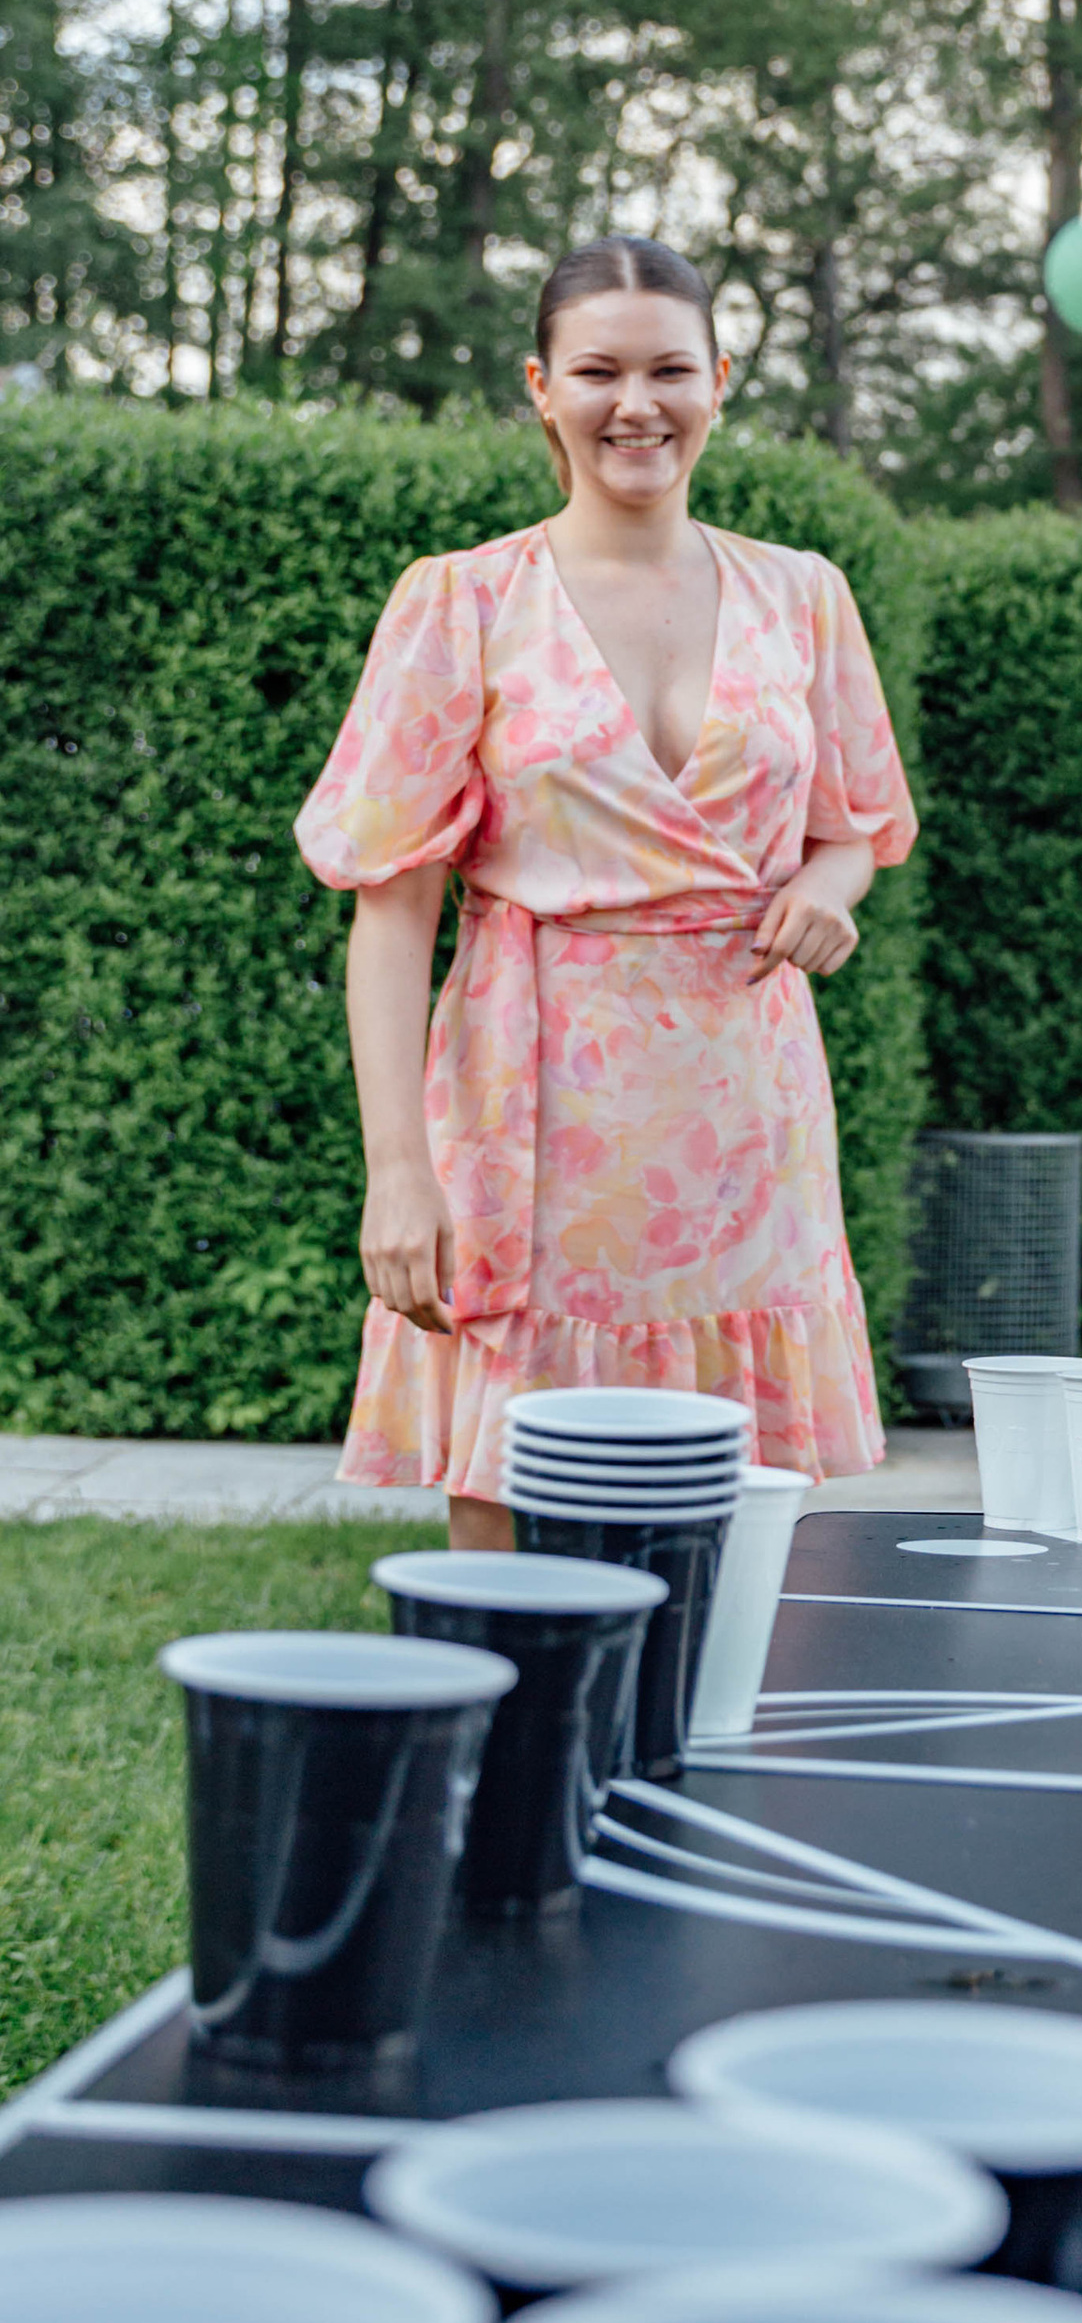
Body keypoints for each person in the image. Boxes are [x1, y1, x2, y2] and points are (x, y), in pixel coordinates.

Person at [295, 235, 917, 1545]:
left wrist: (833, 882)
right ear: (542, 387)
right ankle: (520, 1741)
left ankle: (711, 1740)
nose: (637, 404)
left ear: (721, 381)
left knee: (738, 1522)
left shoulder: (803, 596)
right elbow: (390, 908)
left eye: (669, 370)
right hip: (536, 1100)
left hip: (745, 1112)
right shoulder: (461, 603)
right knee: (516, 1493)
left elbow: (857, 822)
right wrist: (398, 1175)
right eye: (599, 371)